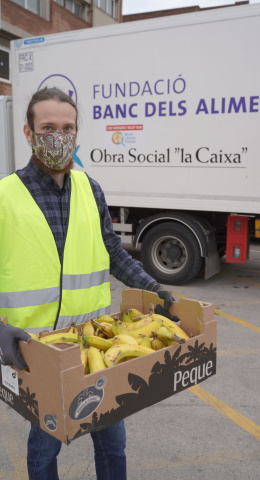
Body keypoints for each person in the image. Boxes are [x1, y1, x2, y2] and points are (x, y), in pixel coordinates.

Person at [0, 87, 174, 480]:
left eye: (67, 128)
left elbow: (113, 251)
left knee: (112, 442)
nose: (58, 136)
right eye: (47, 127)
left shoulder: (89, 188)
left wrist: (155, 288)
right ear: (28, 132)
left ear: (77, 133)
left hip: (98, 343)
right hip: (37, 349)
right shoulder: (4, 197)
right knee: (44, 449)